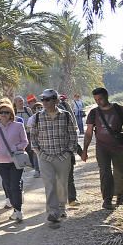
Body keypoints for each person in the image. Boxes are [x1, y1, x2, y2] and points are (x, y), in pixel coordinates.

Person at [28, 89, 79, 226]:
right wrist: (39, 152)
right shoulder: (37, 117)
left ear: (56, 100)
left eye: (48, 99)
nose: (45, 102)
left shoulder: (66, 116)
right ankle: (52, 211)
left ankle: (61, 208)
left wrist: (69, 152)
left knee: (62, 184)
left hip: (63, 156)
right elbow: (33, 137)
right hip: (45, 156)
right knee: (49, 183)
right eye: (43, 99)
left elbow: (73, 135)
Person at [82, 87, 123, 210]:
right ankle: (107, 199)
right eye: (96, 100)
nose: (98, 102)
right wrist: (84, 150)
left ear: (106, 96)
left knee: (119, 172)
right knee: (105, 172)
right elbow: (89, 132)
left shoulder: (120, 109)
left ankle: (120, 196)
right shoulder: (93, 113)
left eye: (100, 99)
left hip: (119, 146)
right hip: (102, 147)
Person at [0, 99, 29, 222]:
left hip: (16, 159)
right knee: (7, 185)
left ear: (11, 113)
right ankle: (16, 207)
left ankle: (18, 211)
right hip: (1, 161)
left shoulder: (18, 125)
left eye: (7, 112)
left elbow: (25, 142)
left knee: (15, 185)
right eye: (1, 112)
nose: (4, 114)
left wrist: (15, 148)